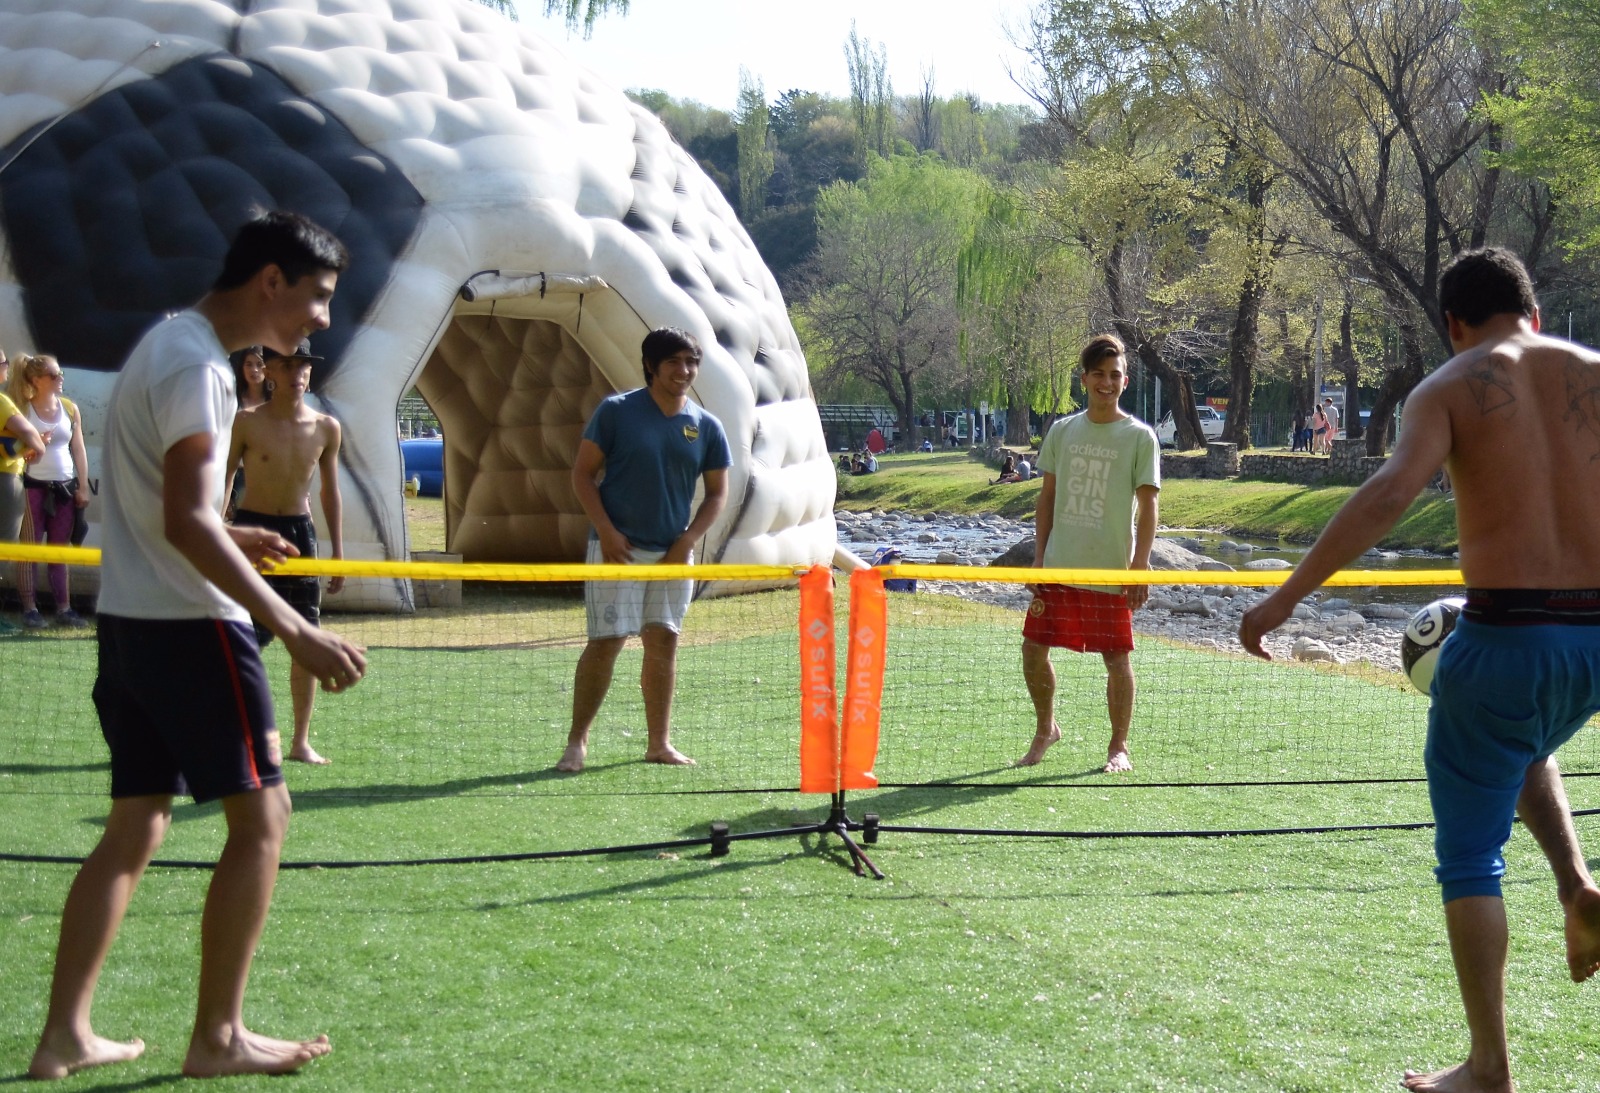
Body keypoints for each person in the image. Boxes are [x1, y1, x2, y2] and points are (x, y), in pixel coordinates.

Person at [1239, 246, 1600, 1093]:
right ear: (1535, 310)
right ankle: (1579, 886)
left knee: (1470, 853)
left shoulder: (1445, 388)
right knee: (1520, 744)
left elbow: (1391, 493)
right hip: (1596, 643)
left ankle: (1489, 1067)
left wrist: (1285, 598)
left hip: (1507, 635)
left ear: (1453, 325)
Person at [28, 210, 366, 1082]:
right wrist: (291, 623)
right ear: (270, 283)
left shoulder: (166, 346)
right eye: (318, 297)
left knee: (135, 825)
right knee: (265, 819)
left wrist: (233, 533)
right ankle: (218, 1035)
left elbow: (167, 507)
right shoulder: (199, 368)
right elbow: (184, 520)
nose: (321, 319)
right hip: (193, 630)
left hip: (132, 631)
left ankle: (65, 1032)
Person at [556, 327, 731, 773]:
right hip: (617, 552)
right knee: (607, 641)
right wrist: (607, 531)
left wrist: (688, 541)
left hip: (674, 557)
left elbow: (716, 495)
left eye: (691, 362)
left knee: (664, 643)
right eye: (674, 362)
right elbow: (582, 476)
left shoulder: (706, 426)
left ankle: (659, 744)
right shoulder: (615, 412)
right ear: (651, 365)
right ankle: (577, 743)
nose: (684, 371)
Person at [1017, 333, 1159, 773]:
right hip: (1059, 569)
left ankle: (1119, 746)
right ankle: (1046, 729)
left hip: (1112, 572)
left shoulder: (1140, 437)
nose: (1106, 382)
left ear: (1125, 380)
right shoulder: (1062, 430)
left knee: (1117, 659)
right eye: (1098, 374)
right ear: (1084, 379)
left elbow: (1149, 506)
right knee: (1032, 650)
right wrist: (1039, 560)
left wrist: (1140, 569)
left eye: (1114, 375)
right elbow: (1047, 500)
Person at [225, 338, 345, 765]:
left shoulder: (326, 427)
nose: (298, 374)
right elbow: (223, 482)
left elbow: (330, 492)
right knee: (241, 637)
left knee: (305, 637)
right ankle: (235, 734)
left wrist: (338, 554)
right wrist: (217, 532)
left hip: (300, 536)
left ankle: (300, 741)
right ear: (268, 371)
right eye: (289, 365)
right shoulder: (246, 422)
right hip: (251, 530)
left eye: (304, 366)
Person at [10, 353, 90, 627]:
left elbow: (78, 448)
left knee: (59, 551)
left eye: (61, 374)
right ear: (36, 380)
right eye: (54, 375)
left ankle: (64, 608)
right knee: (29, 550)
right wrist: (31, 447)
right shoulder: (22, 408)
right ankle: (30, 609)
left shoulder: (70, 408)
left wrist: (82, 486)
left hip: (64, 488)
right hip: (33, 487)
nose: (60, 379)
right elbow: (14, 449)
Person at [0, 348, 47, 633]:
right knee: (4, 549)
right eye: (3, 363)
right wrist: (36, 449)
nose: (6, 367)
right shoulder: (3, 401)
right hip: (5, 482)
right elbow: (30, 436)